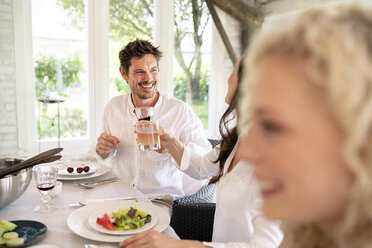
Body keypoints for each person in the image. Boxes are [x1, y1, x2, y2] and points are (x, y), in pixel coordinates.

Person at [238, 4, 372, 248]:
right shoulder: (302, 233)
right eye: (252, 122)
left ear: (362, 137)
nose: (246, 152)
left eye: (271, 127)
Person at [119, 57, 283, 247]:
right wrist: (171, 143)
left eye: (234, 72)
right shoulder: (238, 138)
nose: (228, 78)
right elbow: (201, 168)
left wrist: (179, 245)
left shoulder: (274, 158)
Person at [95, 39, 211, 200]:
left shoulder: (179, 111)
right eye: (140, 72)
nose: (149, 78)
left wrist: (172, 146)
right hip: (120, 195)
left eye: (153, 70)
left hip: (159, 199)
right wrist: (101, 150)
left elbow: (204, 157)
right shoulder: (113, 107)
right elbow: (103, 155)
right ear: (123, 73)